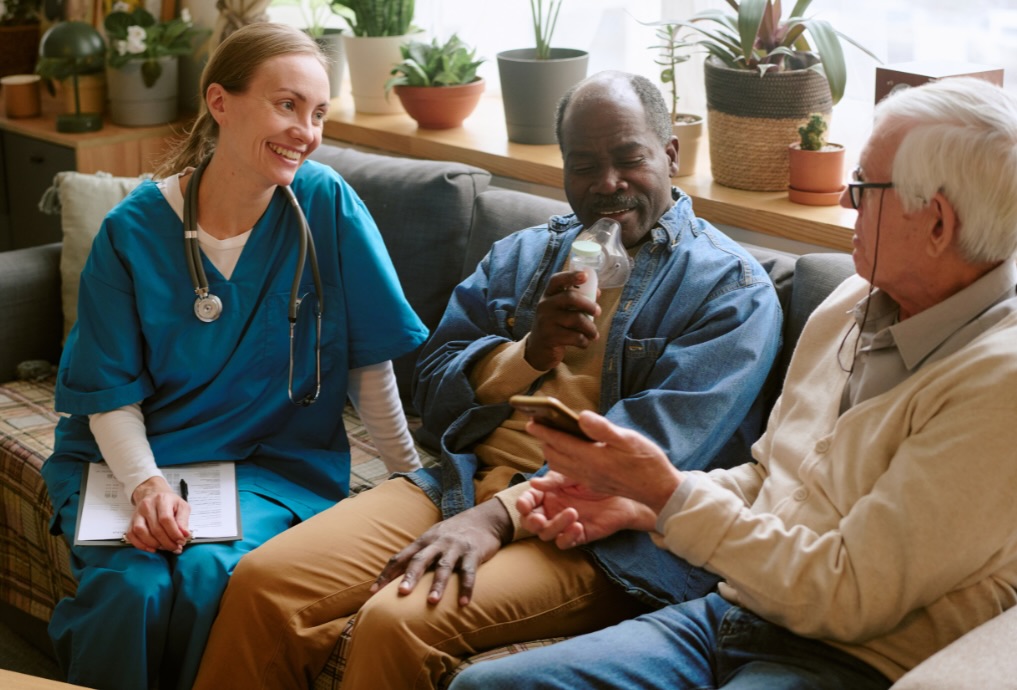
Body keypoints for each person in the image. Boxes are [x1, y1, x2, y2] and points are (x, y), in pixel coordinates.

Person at [192, 70, 782, 690]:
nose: (608, 185)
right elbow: (431, 396)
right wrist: (527, 353)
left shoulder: (729, 292)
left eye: (629, 159)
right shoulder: (525, 256)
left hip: (590, 535)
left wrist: (498, 517)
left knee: (397, 621)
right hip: (459, 479)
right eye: (584, 165)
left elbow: (642, 460)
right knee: (264, 583)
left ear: (669, 155)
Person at [447, 76, 1017, 690]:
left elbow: (849, 594)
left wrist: (668, 496)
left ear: (936, 223)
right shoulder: (853, 302)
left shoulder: (998, 384)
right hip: (737, 609)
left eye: (865, 187)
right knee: (485, 686)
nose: (849, 202)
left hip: (850, 658)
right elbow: (769, 477)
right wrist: (643, 505)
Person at [40, 22, 428, 690]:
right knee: (128, 593)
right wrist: (148, 486)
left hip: (272, 463)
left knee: (206, 574)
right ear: (220, 102)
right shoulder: (130, 233)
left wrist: (414, 487)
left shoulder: (325, 203)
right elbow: (107, 393)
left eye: (318, 113)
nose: (305, 131)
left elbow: (369, 363)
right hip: (132, 460)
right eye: (286, 105)